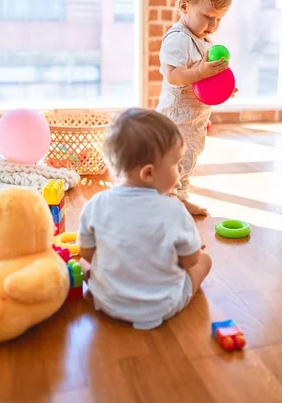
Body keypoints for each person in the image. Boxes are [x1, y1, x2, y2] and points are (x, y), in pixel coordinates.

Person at [78, 108, 212, 330]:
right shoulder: (174, 210)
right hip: (163, 306)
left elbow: (87, 255)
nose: (181, 168)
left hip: (107, 301)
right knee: (205, 259)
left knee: (79, 265)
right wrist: (187, 251)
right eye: (177, 163)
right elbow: (189, 262)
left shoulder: (95, 204)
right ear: (148, 173)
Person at [157, 0, 233, 216]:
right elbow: (174, 76)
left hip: (196, 119)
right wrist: (202, 72)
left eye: (219, 19)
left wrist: (222, 86)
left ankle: (180, 196)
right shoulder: (178, 38)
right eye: (208, 16)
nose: (213, 25)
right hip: (176, 119)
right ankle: (167, 201)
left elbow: (203, 81)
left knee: (189, 159)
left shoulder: (203, 39)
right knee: (173, 162)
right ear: (183, 5)